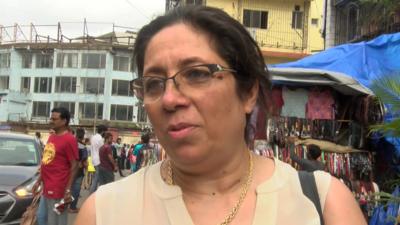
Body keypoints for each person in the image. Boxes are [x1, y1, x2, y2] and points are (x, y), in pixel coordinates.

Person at [75, 6, 366, 225]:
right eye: (153, 83)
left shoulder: (323, 205)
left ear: (249, 93)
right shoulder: (104, 212)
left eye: (197, 74)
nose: (169, 98)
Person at [34, 107, 78, 225]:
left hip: (59, 189)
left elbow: (75, 165)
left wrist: (68, 189)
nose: (51, 120)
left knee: (56, 221)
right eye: (51, 118)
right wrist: (39, 180)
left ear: (64, 121)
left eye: (54, 119)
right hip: (46, 187)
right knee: (41, 217)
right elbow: (46, 160)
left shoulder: (69, 139)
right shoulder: (52, 136)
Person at [69, 128, 88, 213]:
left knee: (68, 189)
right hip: (78, 172)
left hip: (68, 171)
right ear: (83, 135)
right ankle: (72, 207)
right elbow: (84, 160)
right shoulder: (83, 147)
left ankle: (62, 206)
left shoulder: (70, 143)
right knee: (76, 191)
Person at [89, 125, 107, 194]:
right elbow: (102, 150)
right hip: (98, 160)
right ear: (103, 132)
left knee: (94, 178)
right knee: (97, 179)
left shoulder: (93, 137)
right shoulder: (100, 139)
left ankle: (93, 193)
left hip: (93, 159)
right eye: (105, 132)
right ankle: (92, 194)